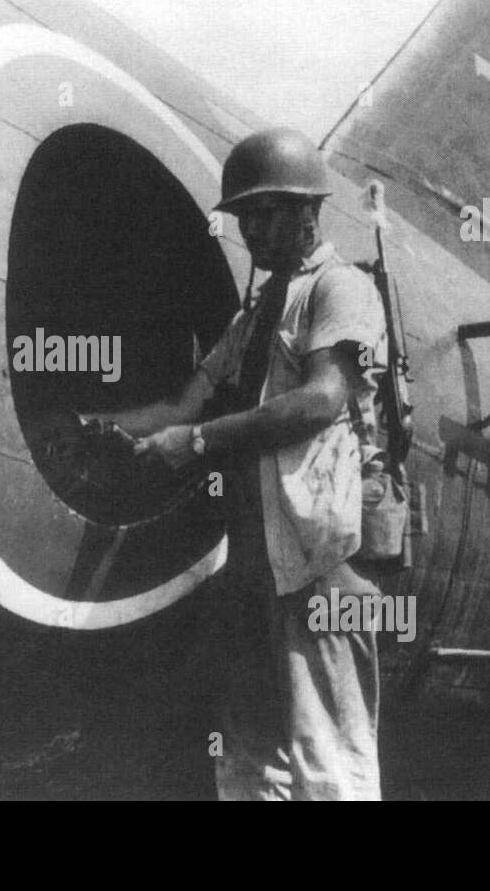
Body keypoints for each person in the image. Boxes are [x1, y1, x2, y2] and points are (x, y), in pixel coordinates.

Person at [83, 127, 387, 800]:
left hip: (320, 560)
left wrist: (196, 444)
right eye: (244, 217)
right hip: (255, 565)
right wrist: (93, 425)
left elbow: (318, 401)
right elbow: (180, 405)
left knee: (328, 757)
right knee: (250, 760)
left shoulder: (341, 291)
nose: (252, 231)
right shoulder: (255, 317)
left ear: (308, 211)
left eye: (265, 215)